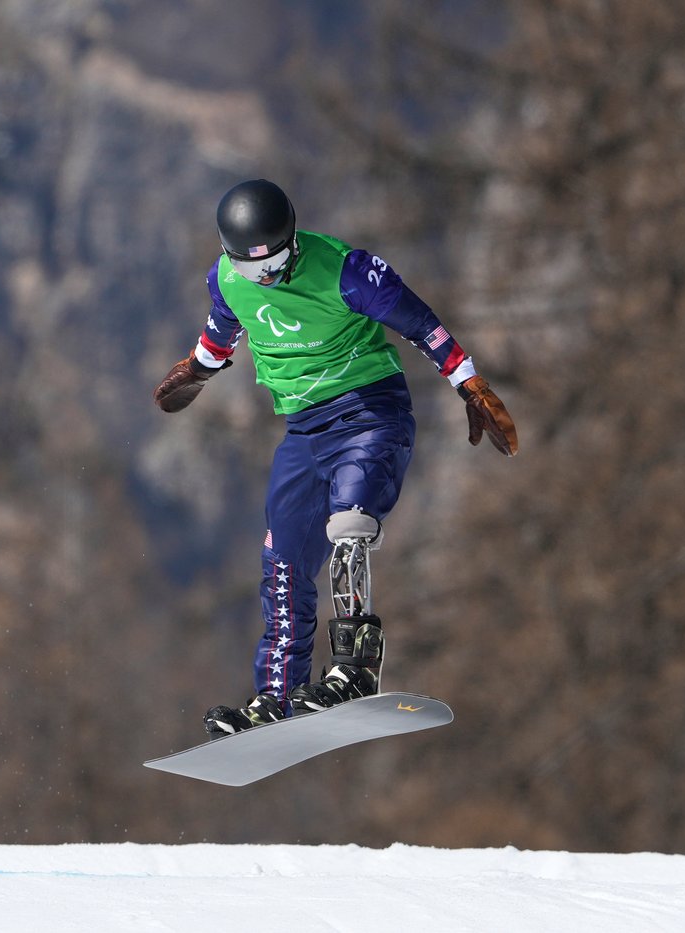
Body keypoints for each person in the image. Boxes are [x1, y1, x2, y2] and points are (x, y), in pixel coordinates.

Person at [153, 179, 518, 737]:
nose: (268, 278)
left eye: (276, 265)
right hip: (303, 431)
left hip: (370, 412)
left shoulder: (346, 270)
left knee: (349, 525)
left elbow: (423, 325)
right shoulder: (226, 279)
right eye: (256, 272)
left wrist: (470, 385)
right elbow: (222, 330)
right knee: (284, 556)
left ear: (292, 241)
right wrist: (200, 370)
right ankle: (277, 695)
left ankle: (354, 670)